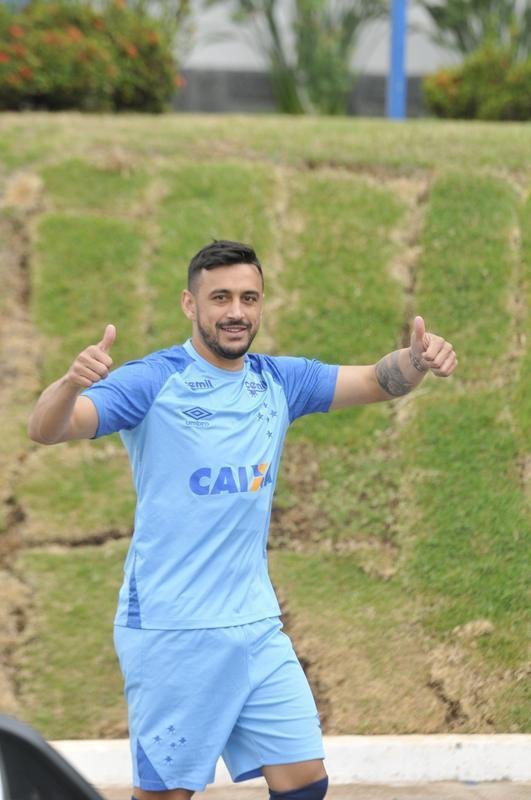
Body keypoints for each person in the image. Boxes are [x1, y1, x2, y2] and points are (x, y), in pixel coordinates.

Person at [28, 240, 457, 800]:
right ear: (190, 304)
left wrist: (418, 360)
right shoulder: (153, 380)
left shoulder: (280, 381)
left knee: (305, 779)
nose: (236, 311)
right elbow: (49, 428)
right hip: (172, 627)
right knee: (165, 796)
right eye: (221, 297)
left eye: (249, 298)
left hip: (255, 624)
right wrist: (69, 385)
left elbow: (378, 380)